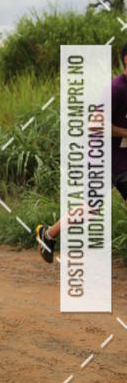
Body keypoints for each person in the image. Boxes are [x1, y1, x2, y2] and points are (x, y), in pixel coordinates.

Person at [37, 39, 127, 263]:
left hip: (124, 162)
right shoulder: (117, 88)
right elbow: (95, 125)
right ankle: (48, 234)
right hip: (101, 161)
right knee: (89, 210)